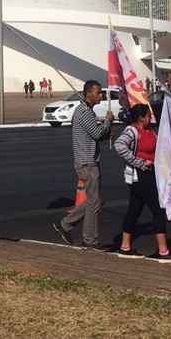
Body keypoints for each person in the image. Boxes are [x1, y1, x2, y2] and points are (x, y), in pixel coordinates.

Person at [113, 104, 171, 262]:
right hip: (140, 176)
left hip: (152, 174)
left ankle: (125, 247)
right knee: (158, 211)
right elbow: (119, 146)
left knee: (134, 209)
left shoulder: (150, 131)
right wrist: (138, 162)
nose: (150, 118)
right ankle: (163, 251)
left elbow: (159, 148)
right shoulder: (131, 131)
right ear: (140, 118)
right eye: (148, 115)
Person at [52, 80, 113, 250]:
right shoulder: (84, 112)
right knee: (94, 202)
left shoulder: (86, 111)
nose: (100, 95)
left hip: (88, 161)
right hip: (87, 162)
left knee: (95, 201)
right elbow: (97, 133)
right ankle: (88, 239)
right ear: (89, 93)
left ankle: (66, 225)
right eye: (98, 92)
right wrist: (108, 121)